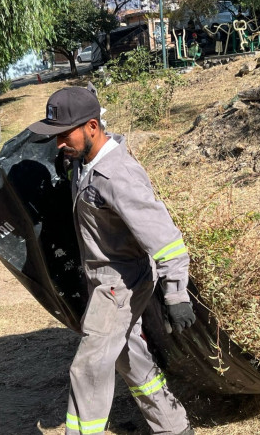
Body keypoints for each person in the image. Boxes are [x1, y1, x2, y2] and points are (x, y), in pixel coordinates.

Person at [27, 87, 196, 435]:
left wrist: (177, 295)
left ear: (92, 126)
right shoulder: (86, 162)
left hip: (119, 285)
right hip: (104, 279)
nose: (59, 144)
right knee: (127, 356)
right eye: (55, 136)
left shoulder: (118, 176)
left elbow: (165, 239)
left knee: (88, 368)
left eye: (64, 135)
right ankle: (174, 427)